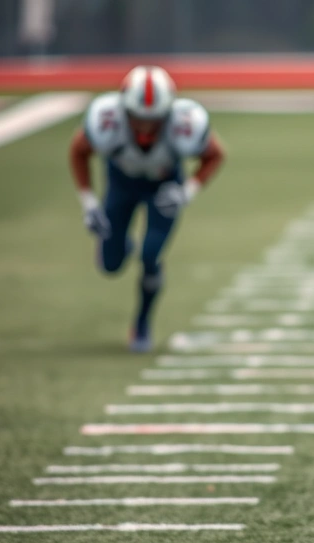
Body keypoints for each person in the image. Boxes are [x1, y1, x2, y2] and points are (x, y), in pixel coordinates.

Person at [68, 65, 224, 352]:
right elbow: (78, 151)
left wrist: (186, 191)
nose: (145, 128)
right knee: (110, 265)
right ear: (123, 109)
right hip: (121, 186)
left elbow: (215, 155)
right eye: (137, 118)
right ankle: (122, 244)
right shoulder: (107, 119)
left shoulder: (185, 122)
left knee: (151, 255)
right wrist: (88, 201)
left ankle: (141, 323)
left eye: (154, 120)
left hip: (164, 189)